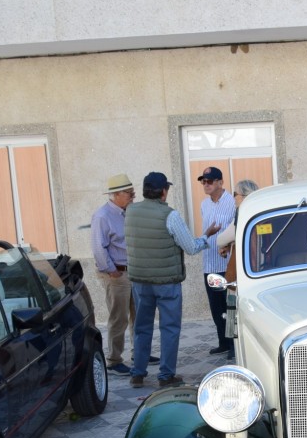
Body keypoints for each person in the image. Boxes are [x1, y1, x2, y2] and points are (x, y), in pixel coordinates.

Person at [125, 171, 219, 388]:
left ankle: (137, 373)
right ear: (163, 192)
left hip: (140, 280)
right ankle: (166, 375)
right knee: (169, 328)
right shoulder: (171, 216)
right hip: (166, 282)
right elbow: (191, 247)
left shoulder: (131, 212)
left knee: (142, 327)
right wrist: (207, 236)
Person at [90, 173, 136, 375]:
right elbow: (98, 247)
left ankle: (138, 352)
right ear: (116, 194)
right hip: (117, 273)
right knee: (119, 317)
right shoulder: (102, 216)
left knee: (138, 314)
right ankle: (114, 359)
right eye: (129, 193)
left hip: (133, 271)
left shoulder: (127, 212)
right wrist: (112, 271)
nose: (133, 196)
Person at [215, 179, 259, 362]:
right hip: (257, 268)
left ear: (243, 196)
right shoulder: (261, 210)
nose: (233, 198)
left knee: (232, 307)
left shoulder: (243, 213)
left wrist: (225, 243)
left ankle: (234, 347)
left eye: (235, 194)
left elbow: (222, 238)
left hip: (241, 271)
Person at [197, 166, 237, 356]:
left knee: (230, 306)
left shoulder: (232, 202)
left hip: (227, 265)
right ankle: (222, 341)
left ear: (220, 182)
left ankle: (233, 345)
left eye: (210, 181)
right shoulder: (204, 204)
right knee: (216, 307)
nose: (206, 185)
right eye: (203, 181)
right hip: (210, 264)